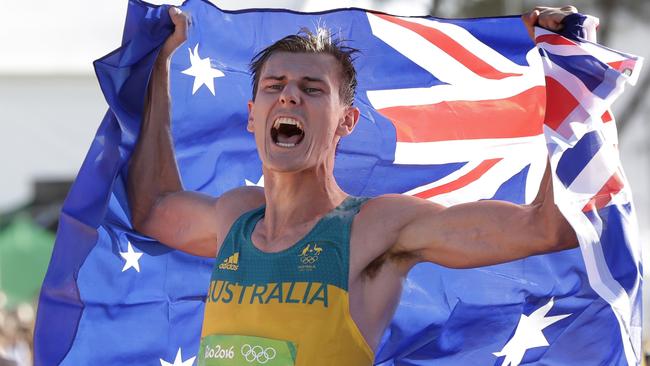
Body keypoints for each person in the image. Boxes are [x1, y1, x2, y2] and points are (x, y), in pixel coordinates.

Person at [128, 5, 579, 365]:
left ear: (346, 121)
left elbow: (545, 228)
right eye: (275, 85)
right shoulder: (234, 218)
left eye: (312, 88)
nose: (289, 96)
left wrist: (569, 81)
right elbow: (151, 206)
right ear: (252, 115)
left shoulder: (374, 228)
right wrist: (159, 63)